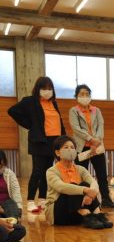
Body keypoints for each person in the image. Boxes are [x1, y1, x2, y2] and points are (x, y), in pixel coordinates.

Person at [8, 76, 66, 213]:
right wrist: (30, 125)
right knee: (37, 172)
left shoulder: (54, 103)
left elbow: (59, 123)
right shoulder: (30, 101)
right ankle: (29, 201)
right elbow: (12, 111)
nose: (47, 91)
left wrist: (63, 138)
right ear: (38, 89)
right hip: (40, 141)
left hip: (54, 141)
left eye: (50, 88)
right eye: (44, 88)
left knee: (47, 172)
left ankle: (42, 199)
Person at [45, 135, 112, 229]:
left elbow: (93, 182)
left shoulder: (80, 169)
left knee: (86, 184)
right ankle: (88, 216)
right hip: (59, 213)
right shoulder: (51, 171)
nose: (70, 150)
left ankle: (97, 215)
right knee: (72, 187)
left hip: (75, 213)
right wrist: (85, 190)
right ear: (57, 152)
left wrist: (90, 193)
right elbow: (61, 187)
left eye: (72, 147)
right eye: (66, 147)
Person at [69, 84, 114, 209]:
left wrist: (96, 141)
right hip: (82, 148)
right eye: (82, 94)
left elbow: (101, 126)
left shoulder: (96, 110)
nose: (85, 96)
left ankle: (106, 199)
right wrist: (91, 140)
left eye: (87, 94)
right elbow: (76, 129)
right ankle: (82, 201)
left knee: (102, 174)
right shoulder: (73, 111)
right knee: (81, 175)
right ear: (76, 96)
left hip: (97, 147)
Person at [0, 150, 23, 220]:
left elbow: (16, 191)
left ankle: (13, 225)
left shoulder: (9, 173)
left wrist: (19, 206)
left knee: (13, 214)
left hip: (7, 201)